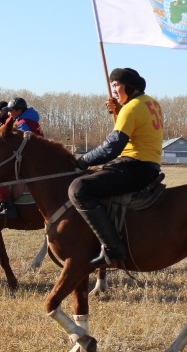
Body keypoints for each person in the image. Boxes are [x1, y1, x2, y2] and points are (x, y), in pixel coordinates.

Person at [68, 68, 163, 267]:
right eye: (112, 86)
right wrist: (119, 109)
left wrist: (83, 161)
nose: (113, 90)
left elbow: (112, 147)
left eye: (116, 85)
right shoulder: (152, 103)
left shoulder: (132, 108)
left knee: (79, 188)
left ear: (129, 86)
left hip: (134, 166)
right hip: (148, 166)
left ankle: (112, 248)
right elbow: (139, 126)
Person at [0, 97, 43, 219]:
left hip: (28, 160)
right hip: (34, 157)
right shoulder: (28, 120)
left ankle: (9, 208)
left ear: (19, 111)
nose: (8, 113)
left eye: (10, 110)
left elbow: (19, 145)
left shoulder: (22, 124)